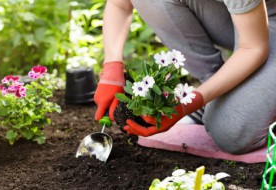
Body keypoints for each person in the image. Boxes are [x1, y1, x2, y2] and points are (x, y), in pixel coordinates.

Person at [94, 0, 276, 155]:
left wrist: (188, 104)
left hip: (265, 26)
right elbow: (119, 3)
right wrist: (112, 67)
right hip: (244, 19)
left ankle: (231, 102)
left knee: (230, 133)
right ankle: (219, 95)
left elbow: (253, 48)